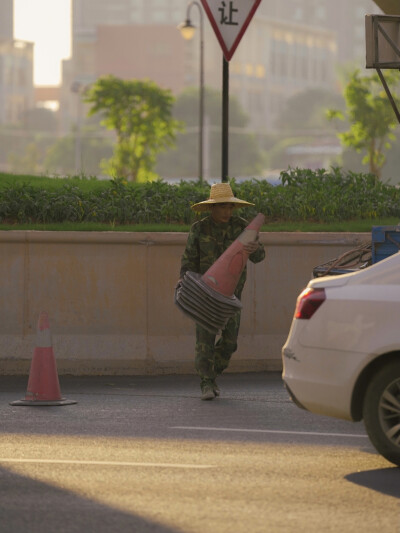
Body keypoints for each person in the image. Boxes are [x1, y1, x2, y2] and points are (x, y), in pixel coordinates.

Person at [178, 183, 265, 401]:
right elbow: (188, 260)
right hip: (204, 294)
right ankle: (206, 382)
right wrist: (184, 284)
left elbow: (259, 256)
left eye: (230, 207)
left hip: (231, 297)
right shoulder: (199, 229)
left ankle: (211, 374)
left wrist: (256, 248)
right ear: (212, 208)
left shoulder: (241, 228)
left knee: (230, 342)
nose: (227, 212)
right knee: (204, 341)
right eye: (223, 207)